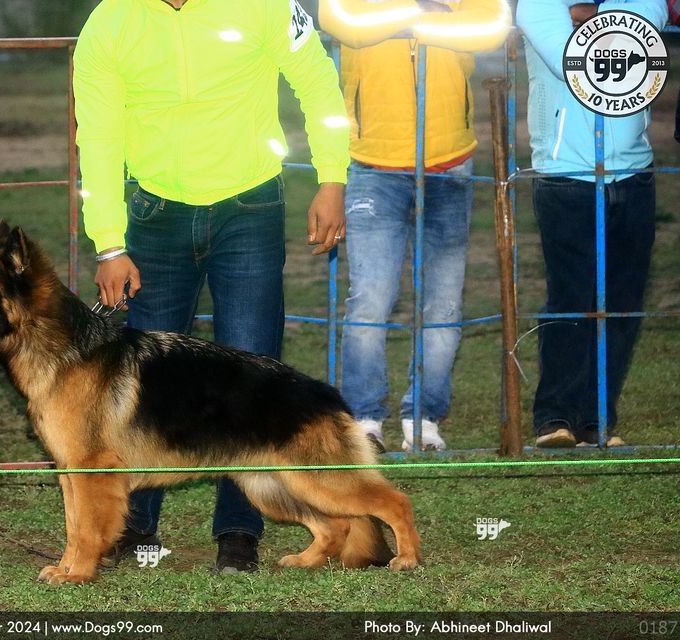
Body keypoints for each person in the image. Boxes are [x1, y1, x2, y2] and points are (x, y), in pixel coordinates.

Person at [74, 0, 349, 572]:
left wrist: (332, 179)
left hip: (251, 206)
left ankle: (239, 530)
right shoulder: (109, 21)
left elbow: (318, 83)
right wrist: (109, 244)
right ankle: (134, 526)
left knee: (252, 372)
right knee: (143, 379)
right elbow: (96, 135)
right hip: (154, 214)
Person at [320, 0, 510, 452]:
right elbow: (342, 21)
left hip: (451, 163)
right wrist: (427, 13)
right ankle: (364, 418)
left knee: (443, 304)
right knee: (370, 298)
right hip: (373, 165)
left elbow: (493, 27)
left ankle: (424, 418)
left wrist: (396, 22)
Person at [517, 0, 666, 447]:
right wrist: (608, 20)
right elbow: (579, 65)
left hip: (634, 172)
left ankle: (597, 420)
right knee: (572, 299)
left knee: (622, 305)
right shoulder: (539, 4)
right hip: (567, 173)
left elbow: (648, 21)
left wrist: (593, 13)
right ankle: (555, 416)